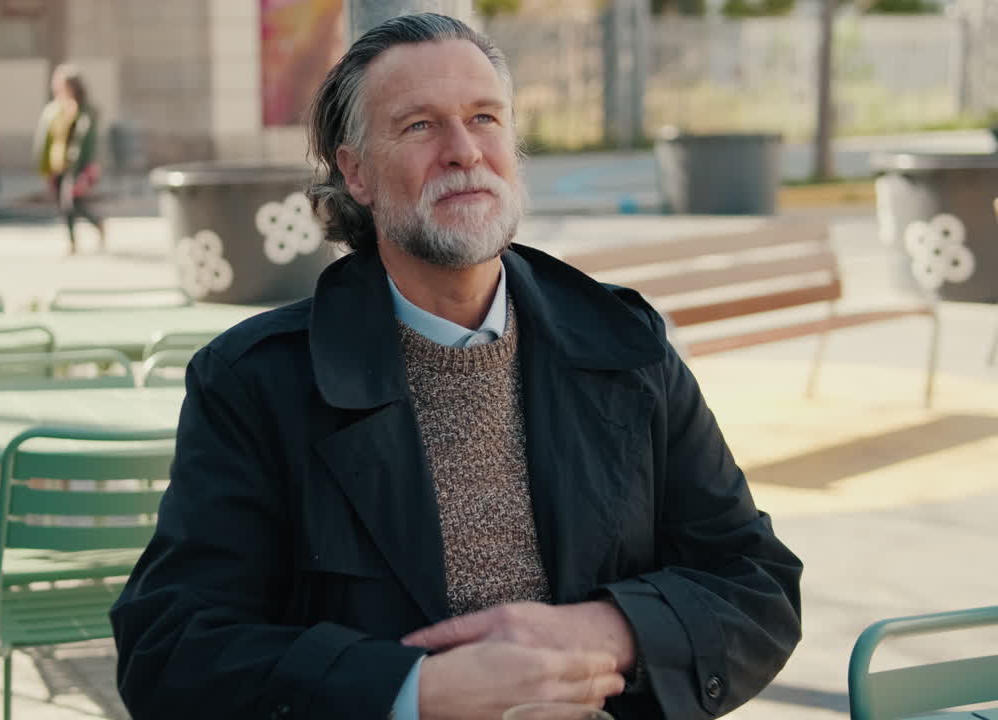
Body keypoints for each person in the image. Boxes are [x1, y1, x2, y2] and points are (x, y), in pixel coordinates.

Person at [111, 13, 801, 720]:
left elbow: (757, 585)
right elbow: (170, 651)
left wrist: (607, 629)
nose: (464, 151)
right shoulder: (254, 382)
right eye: (419, 126)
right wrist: (415, 692)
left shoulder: (625, 345)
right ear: (355, 173)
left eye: (484, 117)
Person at [33, 63, 105, 253]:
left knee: (70, 203)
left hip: (76, 165)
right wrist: (43, 166)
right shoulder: (54, 109)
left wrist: (87, 169)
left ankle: (76, 241)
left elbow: (87, 141)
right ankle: (90, 228)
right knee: (65, 205)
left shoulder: (84, 110)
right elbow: (45, 138)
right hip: (56, 163)